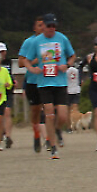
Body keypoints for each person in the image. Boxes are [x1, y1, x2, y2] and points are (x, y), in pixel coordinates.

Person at [23, 13, 75, 159]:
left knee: (63, 115)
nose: (51, 28)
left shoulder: (62, 38)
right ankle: (53, 146)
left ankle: (57, 130)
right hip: (44, 83)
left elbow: (72, 55)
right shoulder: (36, 41)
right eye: (49, 26)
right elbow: (26, 60)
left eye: (54, 26)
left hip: (60, 82)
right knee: (49, 114)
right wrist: (33, 69)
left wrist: (67, 65)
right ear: (44, 26)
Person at [18, 16, 46, 153]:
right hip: (32, 81)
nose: (42, 27)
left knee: (49, 108)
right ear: (34, 28)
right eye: (39, 25)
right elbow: (20, 63)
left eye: (44, 25)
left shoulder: (51, 42)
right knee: (35, 110)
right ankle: (36, 135)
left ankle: (50, 137)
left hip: (48, 80)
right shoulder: (29, 42)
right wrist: (35, 60)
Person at [0, 42, 16, 148]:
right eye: (0, 52)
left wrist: (13, 81)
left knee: (7, 112)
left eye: (3, 51)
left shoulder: (8, 62)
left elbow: (9, 74)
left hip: (7, 90)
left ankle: (8, 136)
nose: (2, 54)